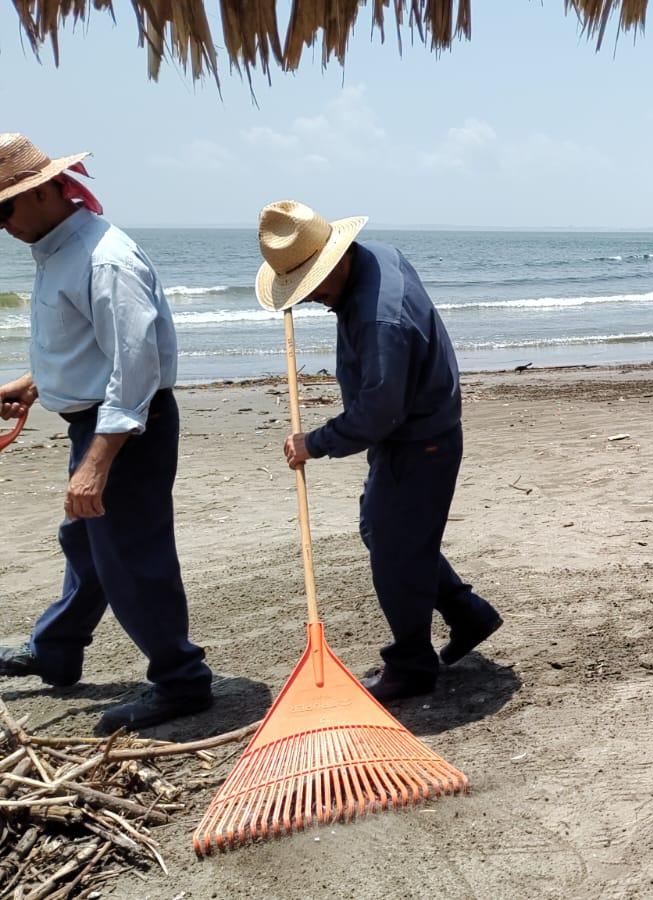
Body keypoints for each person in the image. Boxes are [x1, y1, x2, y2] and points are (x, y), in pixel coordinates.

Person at [0, 133, 213, 733]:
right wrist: (36, 382)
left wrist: (97, 461)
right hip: (99, 420)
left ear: (44, 191)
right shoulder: (58, 249)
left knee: (131, 556)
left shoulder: (105, 259)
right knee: (87, 543)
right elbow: (91, 341)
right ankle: (56, 648)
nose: (1, 226)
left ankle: (182, 680)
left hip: (126, 427)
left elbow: (135, 366)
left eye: (3, 210)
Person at [256, 200, 502, 702]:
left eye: (312, 286)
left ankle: (411, 665)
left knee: (395, 552)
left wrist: (313, 443)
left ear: (335, 259)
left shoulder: (379, 321)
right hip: (418, 427)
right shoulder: (378, 256)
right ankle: (467, 614)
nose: (312, 299)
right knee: (384, 531)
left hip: (419, 440)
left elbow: (377, 415)